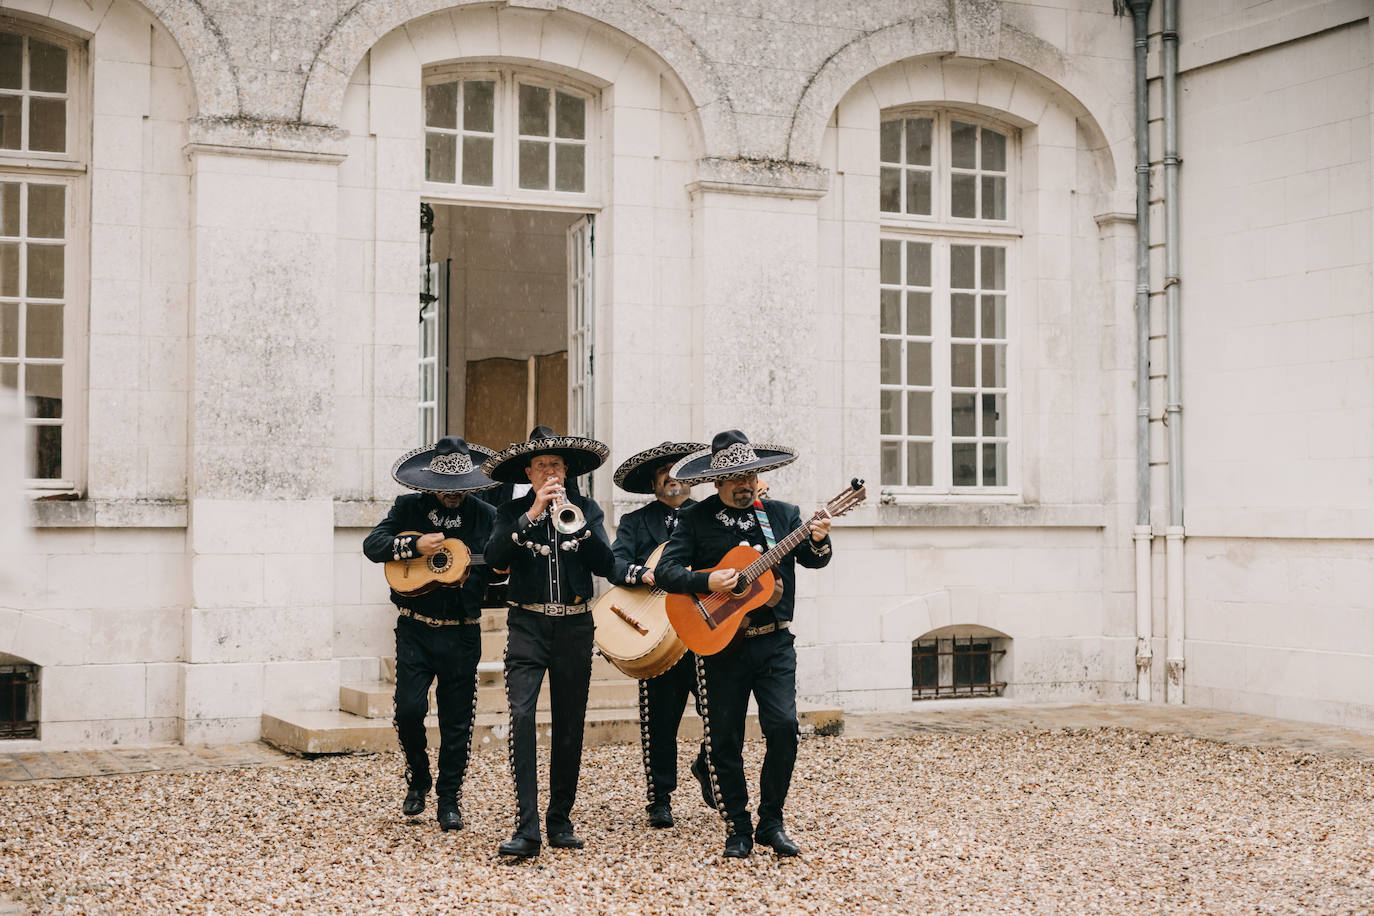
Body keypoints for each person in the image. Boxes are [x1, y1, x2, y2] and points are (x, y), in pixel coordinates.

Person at [654, 429, 833, 859]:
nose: (745, 483)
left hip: (774, 642)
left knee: (783, 727)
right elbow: (666, 572)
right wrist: (707, 580)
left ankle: (772, 821)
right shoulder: (695, 519)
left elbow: (813, 559)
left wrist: (820, 537)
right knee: (723, 739)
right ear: (716, 481)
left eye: (751, 474)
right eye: (735, 477)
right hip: (721, 647)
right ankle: (737, 824)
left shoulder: (783, 515)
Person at [483, 426, 616, 858]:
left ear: (566, 470)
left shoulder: (587, 510)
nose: (549, 472)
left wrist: (582, 528)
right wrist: (532, 514)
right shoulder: (510, 511)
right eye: (541, 466)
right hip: (527, 625)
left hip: (576, 627)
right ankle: (527, 828)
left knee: (569, 722)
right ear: (529, 471)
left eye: (556, 465)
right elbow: (496, 558)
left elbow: (608, 565)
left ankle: (559, 819)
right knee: (521, 716)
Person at [362, 436, 499, 831]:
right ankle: (418, 775)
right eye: (445, 490)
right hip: (415, 628)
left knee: (457, 720)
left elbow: (500, 565)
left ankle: (449, 797)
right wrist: (413, 545)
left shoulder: (487, 514)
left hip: (462, 632)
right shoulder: (409, 508)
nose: (453, 496)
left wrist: (499, 569)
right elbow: (374, 546)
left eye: (459, 489)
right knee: (408, 709)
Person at [608, 441, 706, 829]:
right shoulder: (635, 522)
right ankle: (660, 798)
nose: (671, 475)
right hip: (656, 633)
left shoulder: (712, 515)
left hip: (703, 627)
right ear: (653, 481)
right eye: (663, 470)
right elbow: (614, 564)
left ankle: (711, 768)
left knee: (720, 710)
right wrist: (641, 573)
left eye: (678, 468)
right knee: (659, 721)